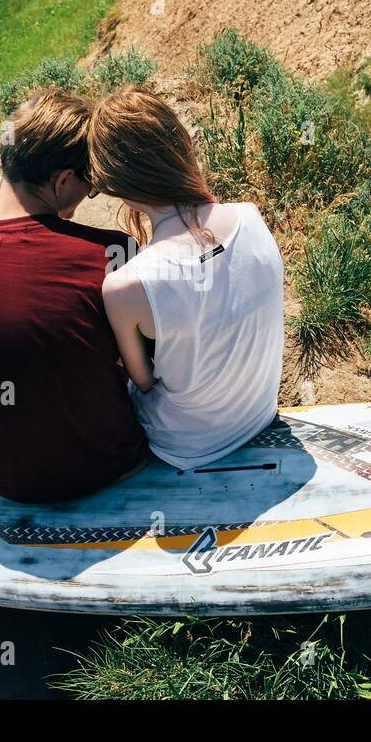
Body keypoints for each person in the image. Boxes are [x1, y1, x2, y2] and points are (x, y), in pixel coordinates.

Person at [0, 87, 149, 503]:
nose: (86, 196)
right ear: (64, 180)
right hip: (112, 464)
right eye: (88, 187)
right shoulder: (116, 252)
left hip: (4, 479)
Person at [86, 86, 285, 469]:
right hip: (258, 414)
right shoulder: (251, 217)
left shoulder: (126, 285)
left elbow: (144, 383)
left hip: (185, 446)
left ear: (117, 187)